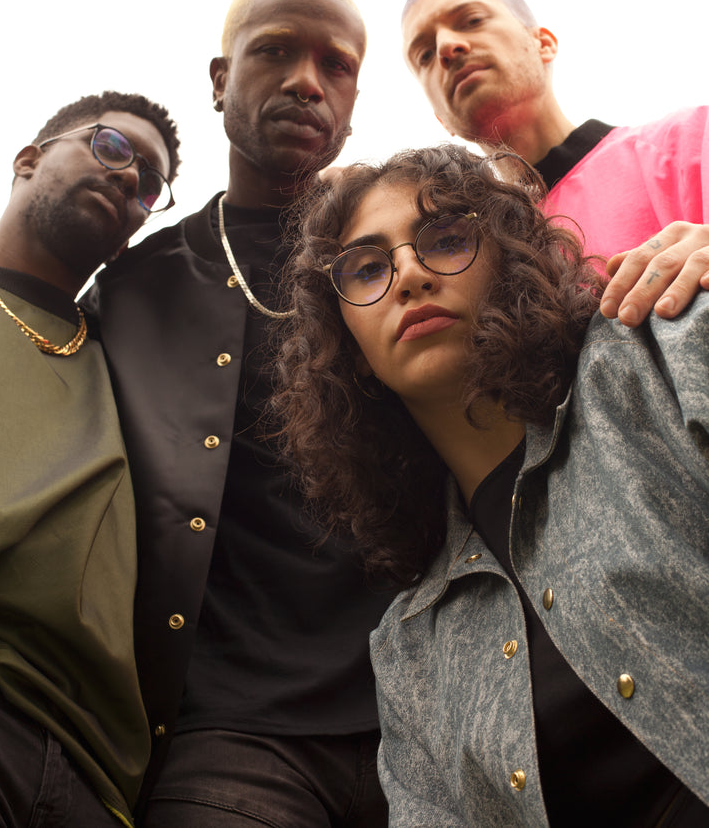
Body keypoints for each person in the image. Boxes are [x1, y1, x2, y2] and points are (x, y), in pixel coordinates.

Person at [273, 144, 709, 826]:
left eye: (445, 240)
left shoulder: (657, 361)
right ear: (346, 345)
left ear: (510, 261)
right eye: (366, 268)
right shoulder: (409, 650)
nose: (410, 274)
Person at [84, 0, 392, 826]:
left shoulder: (412, 264)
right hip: (230, 735)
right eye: (275, 51)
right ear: (220, 81)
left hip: (428, 706)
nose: (306, 80)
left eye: (337, 66)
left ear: (354, 104)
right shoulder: (136, 288)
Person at [0, 91, 180, 827]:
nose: (127, 178)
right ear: (27, 160)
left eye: (149, 182)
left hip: (99, 769)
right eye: (111, 147)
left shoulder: (139, 369)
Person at [401, 0, 709, 328]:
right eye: (424, 54)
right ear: (441, 119)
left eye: (472, 21)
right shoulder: (472, 261)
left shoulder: (687, 138)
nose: (445, 48)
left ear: (543, 43)